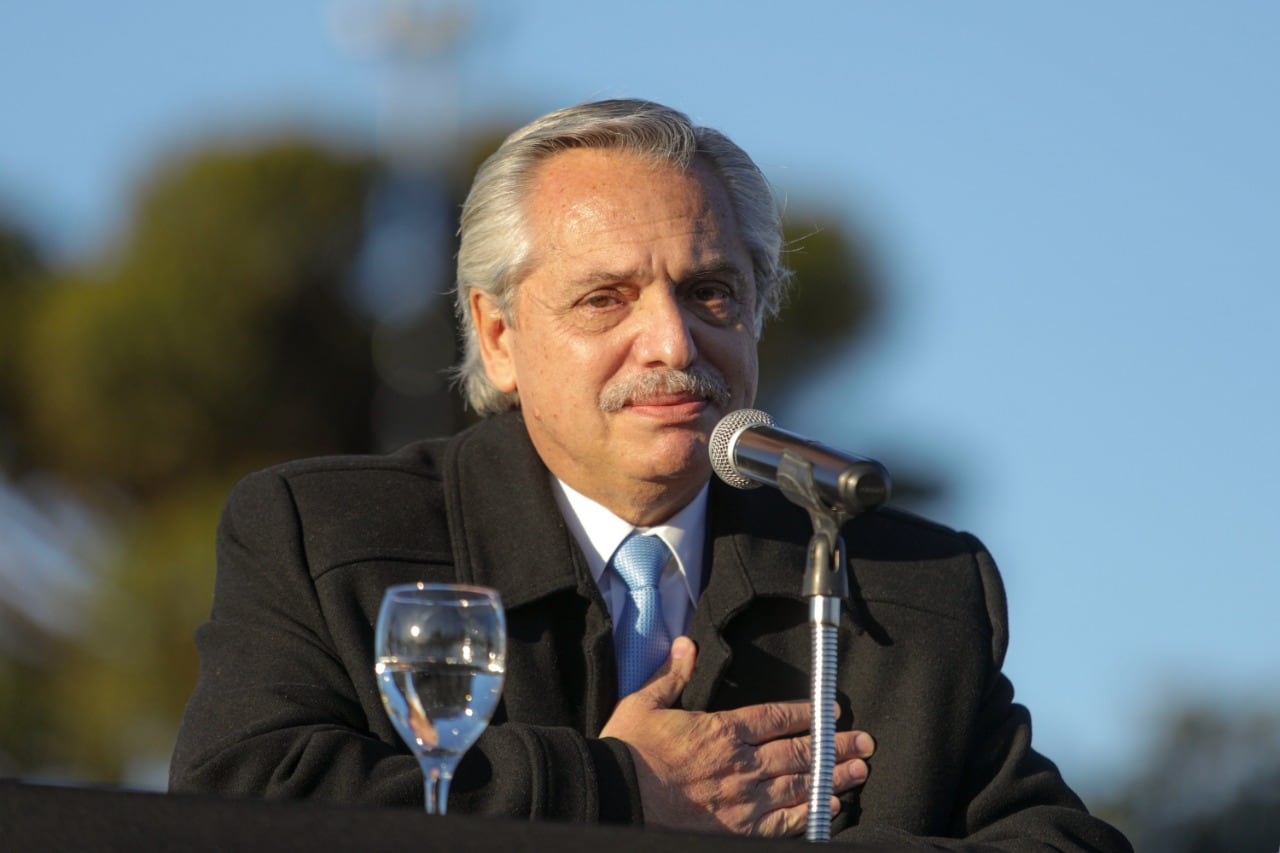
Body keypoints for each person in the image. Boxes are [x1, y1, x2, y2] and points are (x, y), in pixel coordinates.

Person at [169, 99, 1131, 850]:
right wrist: (616, 791)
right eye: (605, 298)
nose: (673, 341)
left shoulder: (906, 584)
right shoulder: (324, 535)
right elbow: (239, 812)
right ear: (499, 336)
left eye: (711, 292)